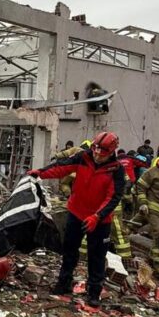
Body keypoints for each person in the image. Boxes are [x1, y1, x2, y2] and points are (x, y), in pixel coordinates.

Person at [28, 131, 125, 307]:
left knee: (96, 257)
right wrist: (41, 173)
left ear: (111, 153)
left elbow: (113, 197)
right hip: (76, 213)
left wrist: (97, 216)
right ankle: (64, 283)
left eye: (101, 153)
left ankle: (94, 292)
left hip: (99, 220)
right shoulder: (83, 158)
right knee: (69, 251)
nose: (96, 155)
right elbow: (62, 167)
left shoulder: (116, 170)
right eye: (95, 150)